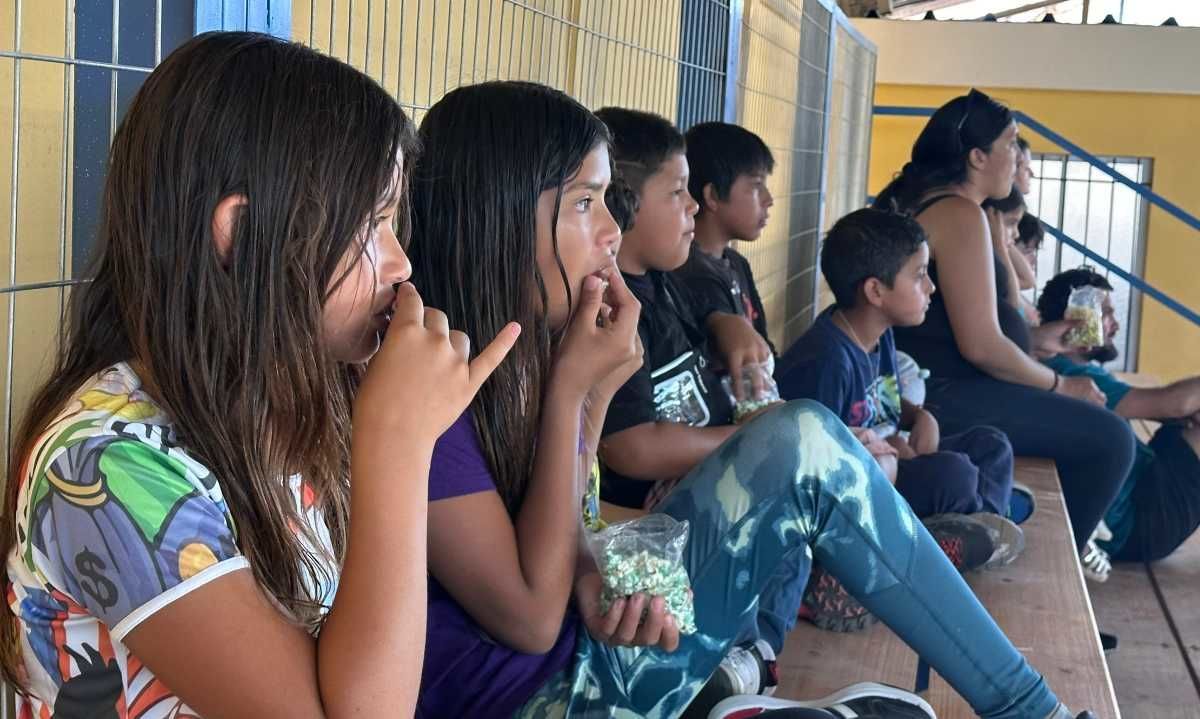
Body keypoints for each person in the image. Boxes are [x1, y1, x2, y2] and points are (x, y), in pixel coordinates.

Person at [407, 84, 1097, 719]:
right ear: (495, 213)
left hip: (590, 650)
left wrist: (595, 562)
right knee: (804, 448)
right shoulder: (433, 391)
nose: (610, 233)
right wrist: (576, 392)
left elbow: (562, 527)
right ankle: (1027, 710)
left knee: (818, 454)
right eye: (586, 203)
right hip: (552, 700)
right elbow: (527, 618)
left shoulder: (522, 356)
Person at [0, 32, 521, 717]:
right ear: (239, 234)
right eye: (370, 224)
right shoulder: (104, 467)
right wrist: (398, 444)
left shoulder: (291, 403)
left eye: (394, 220)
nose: (400, 263)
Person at [874, 87, 1136, 552]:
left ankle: (1026, 541)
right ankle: (1053, 573)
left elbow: (983, 321)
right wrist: (1060, 386)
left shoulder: (959, 210)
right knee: (1112, 440)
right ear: (977, 157)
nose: (1017, 158)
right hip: (942, 397)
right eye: (1011, 144)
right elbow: (981, 346)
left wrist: (1034, 338)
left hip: (951, 388)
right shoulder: (956, 212)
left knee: (1100, 433)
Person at [779, 208, 1027, 540]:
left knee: (991, 444)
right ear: (875, 291)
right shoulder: (826, 361)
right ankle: (969, 524)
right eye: (919, 274)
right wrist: (889, 448)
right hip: (869, 485)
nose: (931, 287)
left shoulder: (879, 333)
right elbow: (821, 464)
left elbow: (883, 401)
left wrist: (921, 417)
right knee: (955, 474)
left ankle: (978, 523)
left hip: (899, 455)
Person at [1038, 269, 1200, 565]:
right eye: (1106, 314)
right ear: (1078, 317)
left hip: (1143, 484)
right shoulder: (1076, 375)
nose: (1115, 324)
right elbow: (1170, 404)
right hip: (1136, 524)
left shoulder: (1063, 365)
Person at [673, 121, 777, 355]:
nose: (768, 199)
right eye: (756, 186)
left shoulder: (736, 263)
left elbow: (765, 346)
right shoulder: (686, 271)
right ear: (712, 196)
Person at [982, 188, 1041, 324]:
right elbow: (1013, 305)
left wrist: (1002, 244)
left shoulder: (995, 260)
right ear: (990, 219)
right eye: (1011, 223)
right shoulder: (982, 262)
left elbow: (1029, 280)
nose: (1016, 234)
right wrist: (1000, 244)